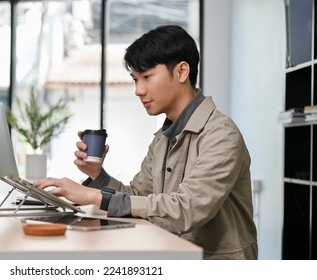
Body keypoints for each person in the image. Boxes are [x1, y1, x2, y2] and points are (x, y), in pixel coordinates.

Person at [34, 25, 258, 260]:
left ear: (181, 72)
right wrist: (98, 175)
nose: (138, 91)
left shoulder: (221, 134)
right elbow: (137, 196)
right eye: (135, 79)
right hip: (172, 256)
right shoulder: (163, 138)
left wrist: (92, 196)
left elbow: (187, 210)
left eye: (147, 77)